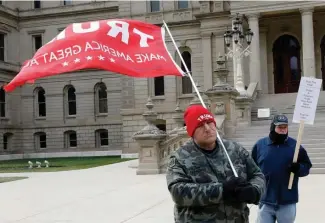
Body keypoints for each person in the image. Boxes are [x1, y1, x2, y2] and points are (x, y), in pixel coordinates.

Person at [166, 104, 265, 223]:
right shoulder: (180, 157)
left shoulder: (235, 149)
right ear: (192, 132)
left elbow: (257, 174)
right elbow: (178, 192)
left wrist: (255, 189)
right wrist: (222, 190)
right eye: (200, 125)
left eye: (209, 122)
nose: (207, 128)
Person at [251, 114, 312, 223]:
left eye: (285, 127)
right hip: (265, 200)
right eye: (280, 127)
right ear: (272, 127)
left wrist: (299, 168)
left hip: (287, 201)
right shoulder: (260, 145)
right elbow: (251, 168)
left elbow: (306, 166)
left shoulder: (295, 146)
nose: (283, 130)